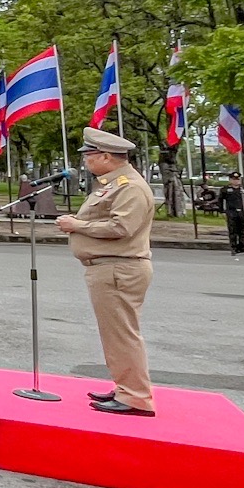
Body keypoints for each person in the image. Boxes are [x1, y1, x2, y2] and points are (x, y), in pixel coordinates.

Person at [56, 126, 158, 416]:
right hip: (109, 267)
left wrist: (77, 225)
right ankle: (125, 387)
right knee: (114, 334)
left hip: (119, 267)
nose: (85, 160)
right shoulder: (113, 184)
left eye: (89, 154)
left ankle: (135, 397)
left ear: (105, 156)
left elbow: (121, 227)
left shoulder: (130, 187)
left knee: (122, 334)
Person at [219, 172, 244, 256]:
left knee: (243, 230)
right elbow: (220, 200)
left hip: (243, 212)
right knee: (233, 231)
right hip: (231, 212)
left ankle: (242, 247)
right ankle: (233, 247)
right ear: (230, 180)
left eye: (237, 179)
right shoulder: (225, 190)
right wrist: (221, 211)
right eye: (234, 179)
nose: (236, 181)